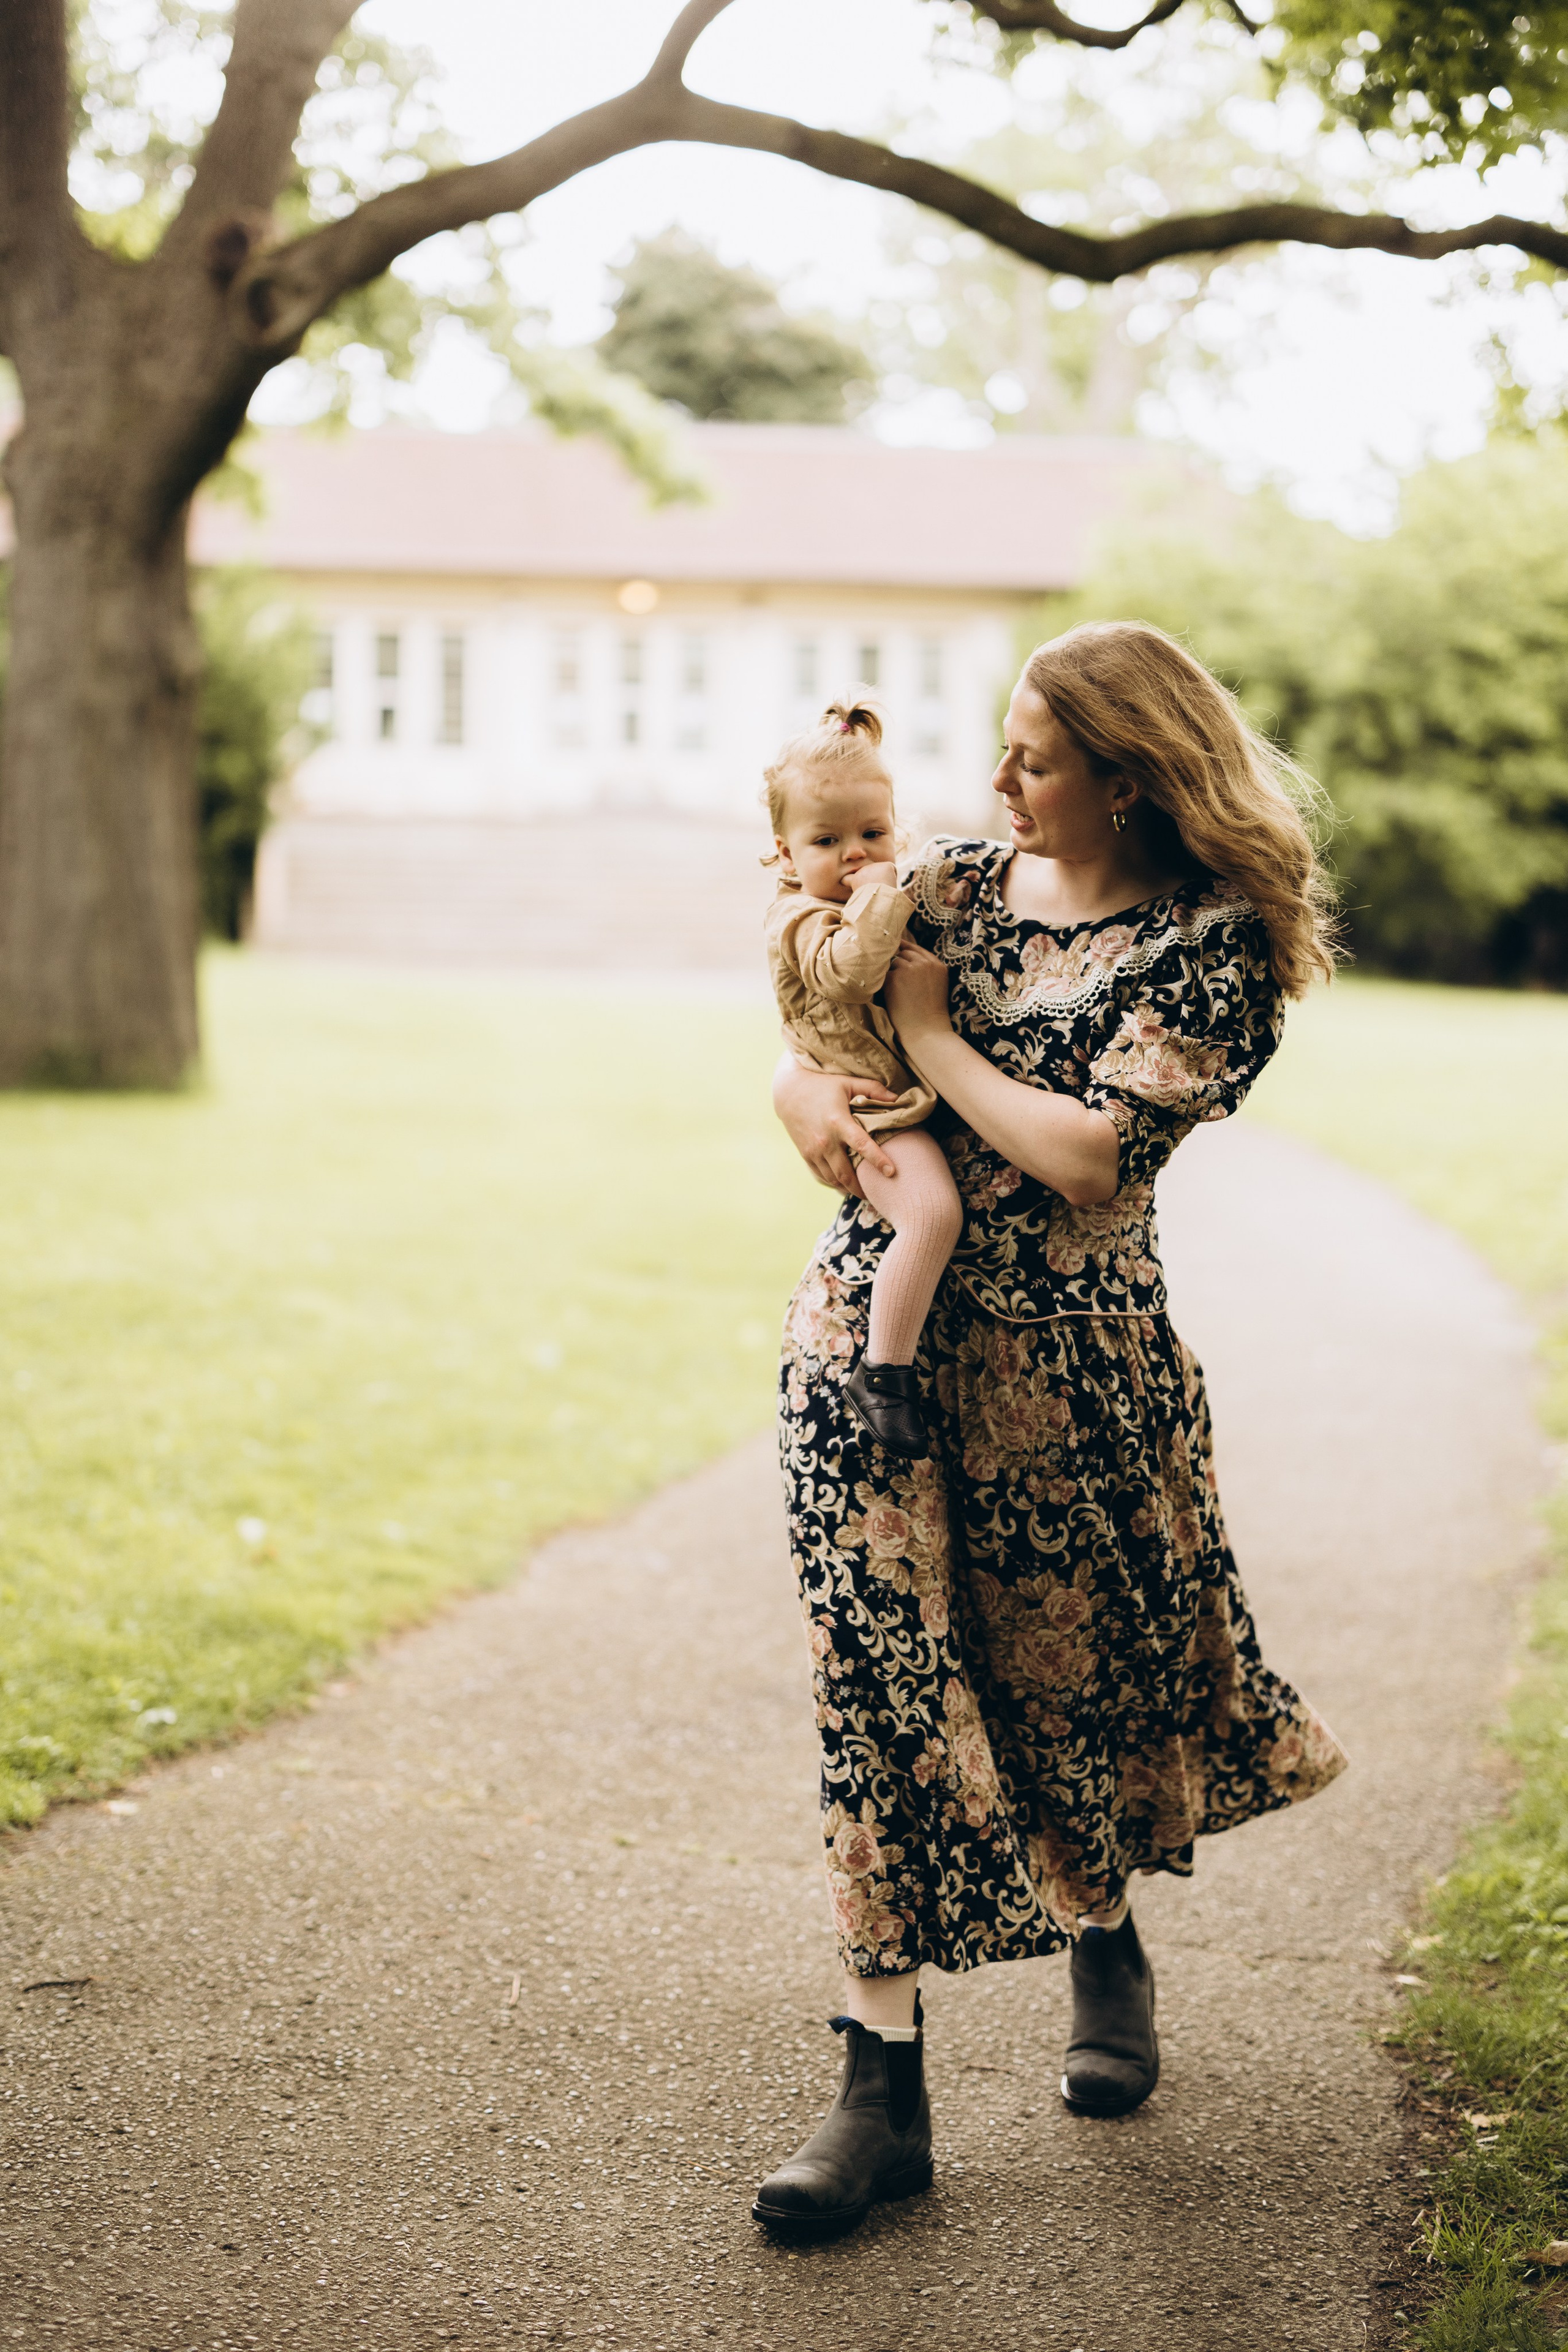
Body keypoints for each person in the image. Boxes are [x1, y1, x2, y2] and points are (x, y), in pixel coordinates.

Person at [751, 621, 1350, 2243]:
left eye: (1036, 754)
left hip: (1068, 1381)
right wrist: (807, 1098)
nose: (998, 777)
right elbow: (813, 1012)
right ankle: (881, 2090)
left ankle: (1101, 1931)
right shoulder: (940, 884)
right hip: (869, 1350)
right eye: (1002, 744)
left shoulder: (1208, 947)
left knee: (1065, 1690)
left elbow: (1092, 1158)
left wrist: (938, 1046)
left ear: (1133, 779)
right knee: (875, 1686)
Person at [763, 693, 965, 1455]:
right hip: (871, 1114)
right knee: (931, 1214)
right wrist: (881, 891)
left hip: (897, 1096)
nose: (853, 853)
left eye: (872, 834)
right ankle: (883, 1374)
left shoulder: (869, 894)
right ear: (784, 855)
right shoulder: (801, 919)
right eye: (826, 840)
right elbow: (847, 974)